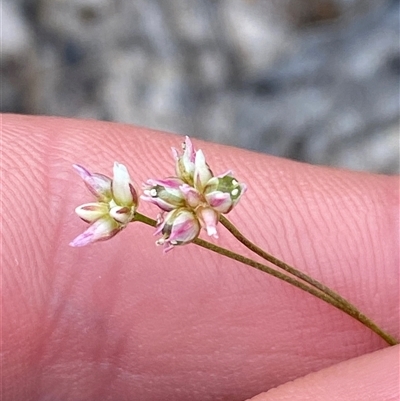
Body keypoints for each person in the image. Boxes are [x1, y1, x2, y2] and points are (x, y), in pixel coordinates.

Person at [1, 113, 398, 400]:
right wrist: (198, 218)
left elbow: (201, 207)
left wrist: (201, 218)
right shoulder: (187, 207)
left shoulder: (197, 205)